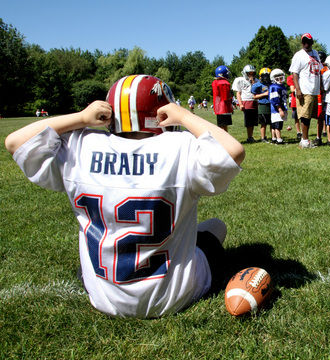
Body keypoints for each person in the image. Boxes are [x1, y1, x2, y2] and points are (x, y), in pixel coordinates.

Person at [5, 75, 245, 318]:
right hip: (172, 296)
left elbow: (15, 142)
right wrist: (185, 115)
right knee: (216, 227)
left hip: (104, 296)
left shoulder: (80, 145)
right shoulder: (179, 146)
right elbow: (233, 151)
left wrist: (80, 118)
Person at [289, 33, 322, 149]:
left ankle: (305, 139)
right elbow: (294, 73)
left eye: (308, 42)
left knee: (310, 116)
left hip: (314, 89)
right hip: (304, 89)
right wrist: (298, 89)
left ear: (312, 42)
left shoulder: (315, 54)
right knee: (304, 115)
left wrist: (321, 87)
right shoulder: (299, 55)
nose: (306, 44)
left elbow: (319, 71)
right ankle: (305, 141)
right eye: (304, 42)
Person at [232, 65, 258, 143]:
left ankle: (251, 136)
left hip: (254, 101)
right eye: (249, 73)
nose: (251, 75)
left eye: (252, 73)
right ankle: (249, 137)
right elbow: (238, 93)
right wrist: (240, 104)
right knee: (249, 120)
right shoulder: (241, 80)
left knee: (253, 121)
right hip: (246, 101)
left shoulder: (256, 80)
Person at [252, 67, 272, 142]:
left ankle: (273, 136)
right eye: (264, 76)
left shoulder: (271, 83)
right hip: (262, 104)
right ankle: (263, 137)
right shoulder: (257, 85)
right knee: (263, 123)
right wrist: (264, 94)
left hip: (271, 104)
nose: (266, 78)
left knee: (272, 122)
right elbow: (254, 96)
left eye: (267, 76)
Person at [268, 69, 288, 145]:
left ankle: (274, 138)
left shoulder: (281, 86)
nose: (280, 79)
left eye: (281, 77)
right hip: (276, 110)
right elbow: (274, 99)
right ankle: (279, 140)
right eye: (277, 77)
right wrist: (280, 110)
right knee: (277, 125)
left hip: (279, 108)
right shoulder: (274, 87)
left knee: (274, 125)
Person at [212, 65, 234, 132]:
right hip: (224, 107)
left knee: (220, 125)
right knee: (224, 126)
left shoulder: (215, 82)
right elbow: (226, 97)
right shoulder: (224, 83)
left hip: (218, 107)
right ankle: (225, 140)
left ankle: (222, 139)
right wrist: (231, 95)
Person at [286, 74, 302, 140]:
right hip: (295, 100)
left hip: (302, 99)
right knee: (296, 117)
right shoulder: (291, 77)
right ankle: (298, 132)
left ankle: (303, 131)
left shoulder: (302, 75)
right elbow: (292, 89)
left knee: (303, 116)